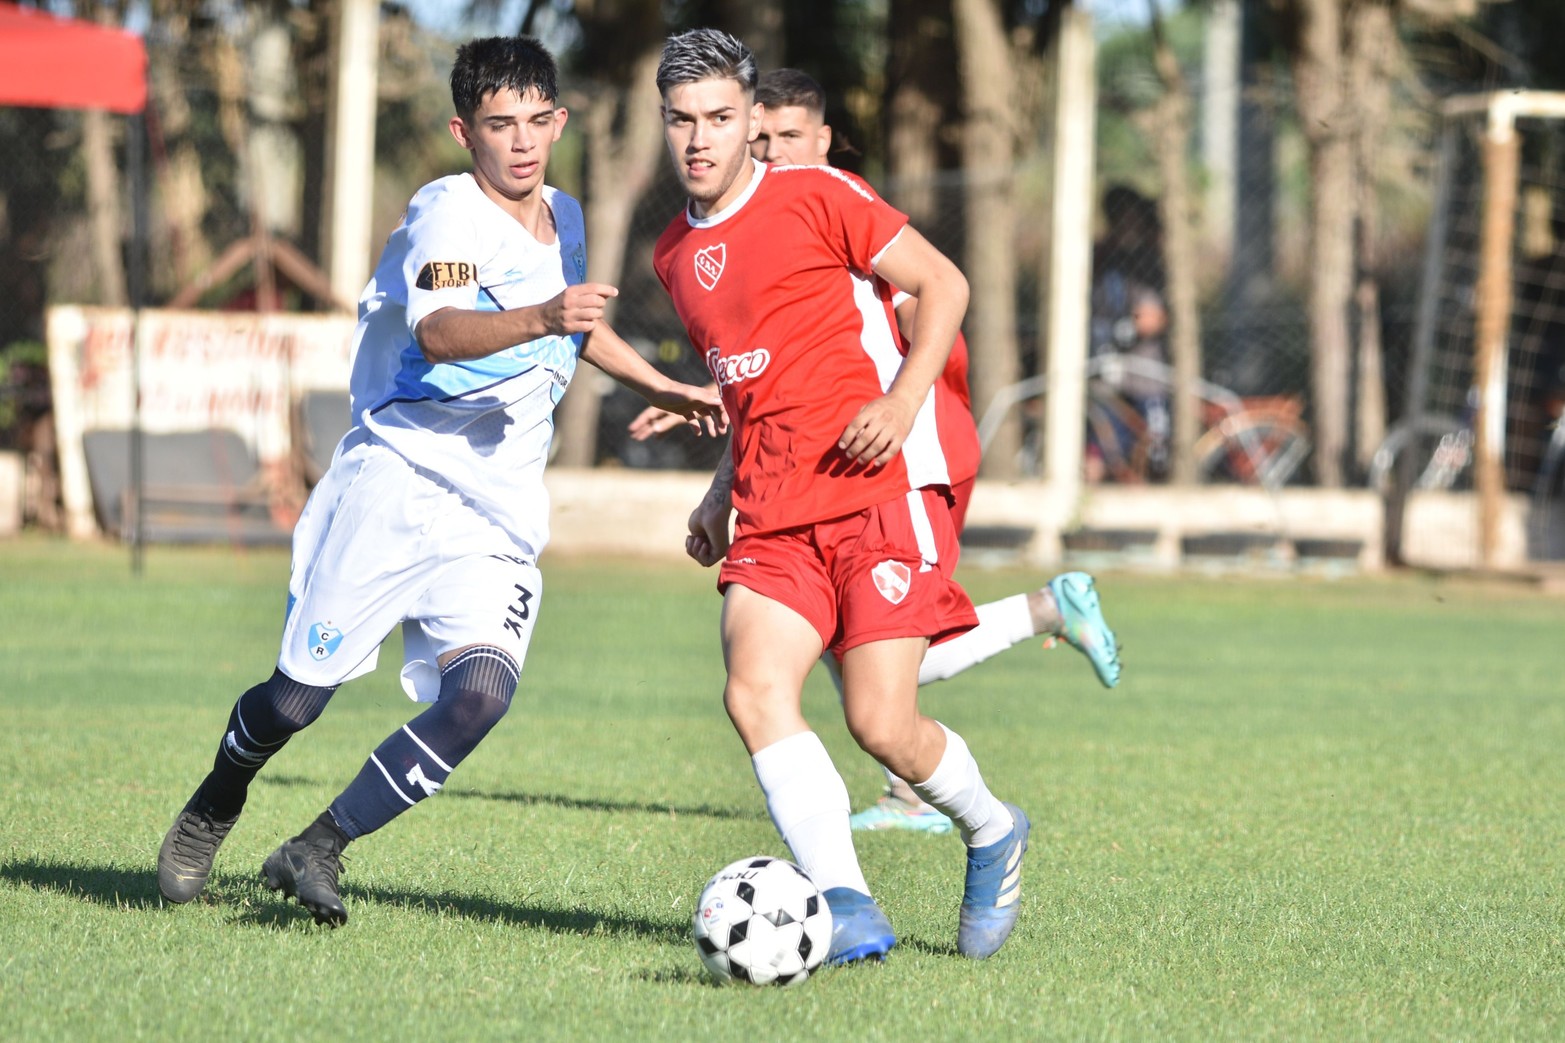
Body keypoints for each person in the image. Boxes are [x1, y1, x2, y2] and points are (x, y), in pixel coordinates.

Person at [154, 35, 722, 926]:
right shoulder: (445, 214)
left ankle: (318, 845)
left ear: (559, 121)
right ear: (465, 132)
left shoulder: (566, 216)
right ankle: (217, 797)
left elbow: (574, 325)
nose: (521, 141)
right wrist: (541, 315)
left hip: (496, 511)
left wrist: (664, 387)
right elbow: (439, 331)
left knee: (481, 696)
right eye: (499, 124)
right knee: (296, 700)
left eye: (536, 120)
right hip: (399, 478)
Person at [631, 67, 1121, 836]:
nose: (771, 151)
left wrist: (898, 395)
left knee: (876, 655)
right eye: (762, 138)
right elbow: (770, 376)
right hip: (817, 468)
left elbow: (925, 303)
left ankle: (936, 779)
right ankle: (1028, 630)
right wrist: (718, 438)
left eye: (787, 136)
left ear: (824, 140)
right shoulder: (715, 238)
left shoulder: (836, 201)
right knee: (843, 658)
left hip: (907, 449)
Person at [652, 27, 1023, 963]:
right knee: (753, 690)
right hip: (773, 510)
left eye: (719, 118)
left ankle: (991, 828)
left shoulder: (819, 194)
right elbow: (750, 387)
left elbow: (944, 283)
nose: (699, 138)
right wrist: (719, 490)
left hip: (876, 493)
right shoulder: (673, 255)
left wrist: (901, 402)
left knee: (879, 723)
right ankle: (848, 902)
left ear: (751, 120)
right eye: (681, 120)